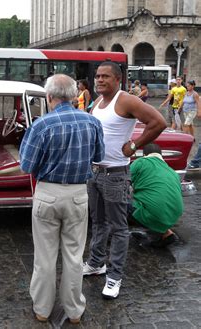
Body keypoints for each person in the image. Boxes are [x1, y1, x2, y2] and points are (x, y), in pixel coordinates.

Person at [20, 74, 105, 324]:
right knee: (74, 254)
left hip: (47, 192)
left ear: (49, 97)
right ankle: (74, 310)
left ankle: (42, 309)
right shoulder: (92, 122)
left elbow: (27, 165)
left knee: (45, 256)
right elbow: (98, 155)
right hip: (78, 193)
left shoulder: (41, 125)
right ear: (73, 95)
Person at [83, 61, 166, 300]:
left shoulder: (126, 100)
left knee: (119, 228)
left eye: (105, 76)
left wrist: (134, 145)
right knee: (98, 222)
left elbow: (158, 122)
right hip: (96, 172)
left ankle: (115, 277)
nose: (99, 80)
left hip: (116, 174)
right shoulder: (98, 102)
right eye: (97, 76)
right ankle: (96, 263)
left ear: (118, 79)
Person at [128, 143, 183, 247]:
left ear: (144, 155)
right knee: (157, 204)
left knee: (118, 200)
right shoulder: (171, 171)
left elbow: (121, 182)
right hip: (174, 215)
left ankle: (114, 235)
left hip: (155, 213)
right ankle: (166, 233)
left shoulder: (140, 162)